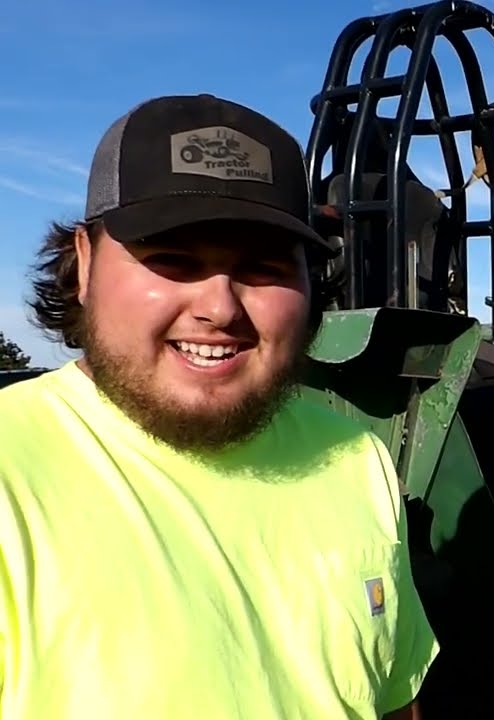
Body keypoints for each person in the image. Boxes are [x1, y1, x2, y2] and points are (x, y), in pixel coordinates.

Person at [0, 93, 435, 719]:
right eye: (173, 261)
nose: (221, 308)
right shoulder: (13, 471)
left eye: (263, 268)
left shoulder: (356, 460)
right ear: (87, 263)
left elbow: (393, 694)